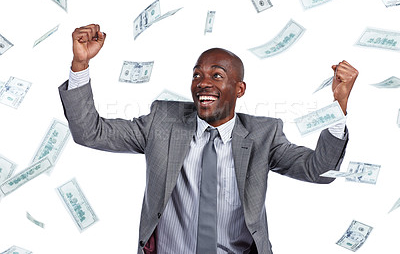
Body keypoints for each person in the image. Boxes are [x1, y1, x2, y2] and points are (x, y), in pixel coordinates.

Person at [59, 24, 358, 254]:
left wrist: (338, 106)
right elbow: (90, 132)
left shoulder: (263, 135)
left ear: (239, 89)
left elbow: (318, 172)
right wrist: (80, 65)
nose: (203, 82)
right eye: (197, 75)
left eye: (216, 76)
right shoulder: (162, 122)